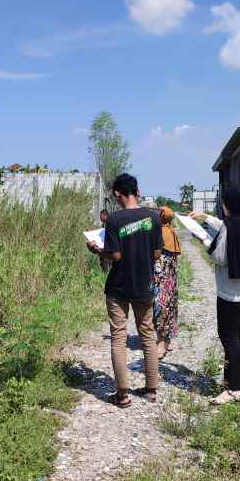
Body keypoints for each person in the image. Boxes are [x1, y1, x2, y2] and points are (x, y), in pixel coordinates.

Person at [87, 173, 163, 408]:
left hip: (119, 286)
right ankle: (151, 390)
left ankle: (122, 395)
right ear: (137, 191)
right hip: (144, 284)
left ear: (117, 194)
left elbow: (116, 255)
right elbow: (157, 253)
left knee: (118, 337)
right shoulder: (153, 217)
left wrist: (97, 250)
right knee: (147, 334)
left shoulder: (114, 219)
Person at [190, 185, 240, 405]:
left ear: (232, 205)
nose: (223, 206)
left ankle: (234, 388)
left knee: (229, 337)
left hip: (229, 291)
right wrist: (205, 217)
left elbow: (219, 258)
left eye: (224, 203)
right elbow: (224, 226)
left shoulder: (230, 227)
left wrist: (203, 238)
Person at [153, 207, 181, 359]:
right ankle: (167, 339)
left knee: (161, 305)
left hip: (162, 278)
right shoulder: (170, 231)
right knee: (169, 305)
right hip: (169, 279)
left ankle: (162, 341)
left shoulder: (161, 232)